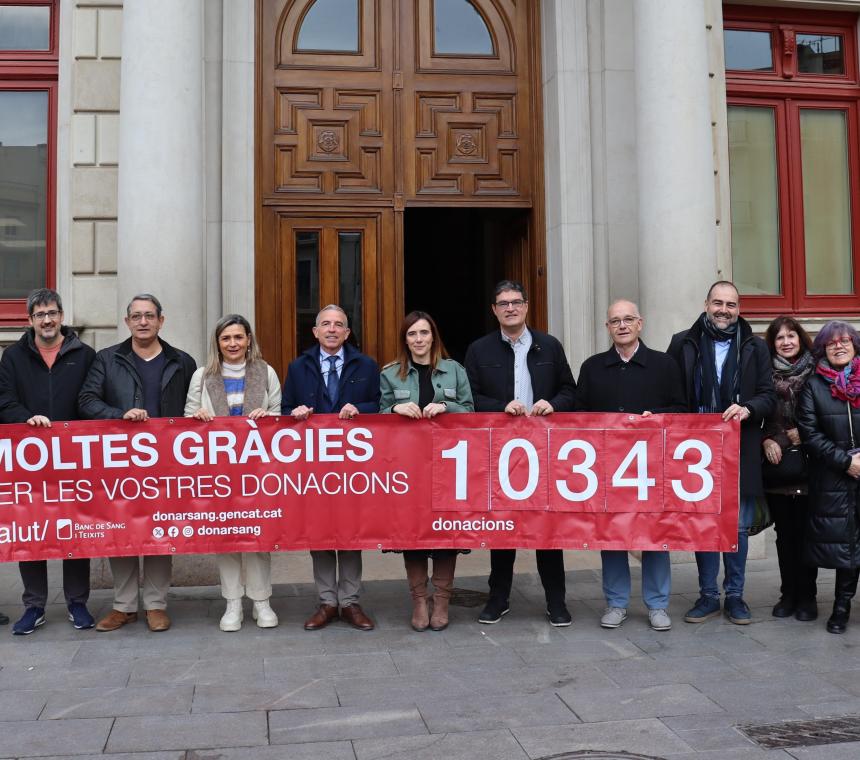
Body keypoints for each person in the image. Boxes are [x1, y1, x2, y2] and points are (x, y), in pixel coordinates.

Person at [78, 294, 196, 633]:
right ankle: (123, 606)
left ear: (161, 320)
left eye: (149, 316)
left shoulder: (182, 361)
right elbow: (86, 400)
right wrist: (119, 415)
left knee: (159, 531)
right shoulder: (107, 359)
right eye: (136, 316)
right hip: (120, 465)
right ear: (127, 321)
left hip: (167, 464)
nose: (143, 321)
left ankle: (156, 605)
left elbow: (195, 403)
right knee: (123, 533)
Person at [464, 280, 577, 626]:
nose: (510, 308)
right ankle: (498, 598)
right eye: (503, 303)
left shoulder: (549, 346)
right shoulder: (479, 350)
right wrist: (500, 407)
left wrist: (552, 403)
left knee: (547, 527)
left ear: (526, 306)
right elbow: (469, 399)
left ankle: (556, 601)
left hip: (544, 450)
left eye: (516, 302)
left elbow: (571, 391)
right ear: (494, 310)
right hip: (498, 451)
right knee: (503, 527)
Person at [668, 280, 775, 625]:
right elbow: (669, 394)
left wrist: (748, 409)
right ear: (706, 303)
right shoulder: (682, 343)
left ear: (738, 309)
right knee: (704, 525)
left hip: (739, 447)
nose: (723, 310)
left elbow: (768, 396)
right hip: (695, 451)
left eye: (730, 304)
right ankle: (708, 596)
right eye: (718, 303)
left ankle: (736, 596)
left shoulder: (755, 347)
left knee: (739, 527)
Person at [576, 300, 685, 631]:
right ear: (607, 328)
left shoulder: (665, 365)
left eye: (628, 320)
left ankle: (657, 604)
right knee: (611, 535)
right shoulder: (593, 367)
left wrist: (660, 419)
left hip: (652, 467)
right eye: (614, 321)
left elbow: (682, 408)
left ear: (640, 323)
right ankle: (616, 602)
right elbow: (579, 416)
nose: (621, 326)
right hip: (606, 467)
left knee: (655, 533)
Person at [0, 288, 96, 635]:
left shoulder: (84, 354)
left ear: (61, 315)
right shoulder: (13, 357)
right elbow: (4, 400)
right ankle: (34, 606)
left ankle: (77, 603)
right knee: (32, 528)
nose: (47, 320)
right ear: (30, 320)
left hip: (74, 459)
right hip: (29, 459)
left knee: (75, 530)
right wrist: (28, 418)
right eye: (40, 315)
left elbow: (92, 399)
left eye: (52, 313)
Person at [282, 304, 380, 631]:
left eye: (339, 325)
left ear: (347, 333)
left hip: (353, 466)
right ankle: (327, 601)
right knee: (321, 531)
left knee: (350, 532)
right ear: (315, 331)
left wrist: (361, 408)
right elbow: (284, 410)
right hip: (313, 465)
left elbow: (381, 406)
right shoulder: (298, 367)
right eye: (326, 324)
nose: (332, 329)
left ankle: (350, 602)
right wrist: (294, 412)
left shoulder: (366, 365)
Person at [184, 314, 281, 632]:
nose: (233, 343)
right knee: (225, 536)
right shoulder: (202, 376)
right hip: (218, 471)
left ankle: (262, 601)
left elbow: (279, 420)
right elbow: (186, 421)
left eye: (238, 337)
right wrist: (197, 416)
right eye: (226, 338)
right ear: (218, 343)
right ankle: (232, 603)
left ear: (249, 339)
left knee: (258, 535)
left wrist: (267, 416)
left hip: (257, 470)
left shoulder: (266, 373)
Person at [380, 311, 474, 631]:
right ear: (405, 340)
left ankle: (443, 599)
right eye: (412, 334)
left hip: (447, 465)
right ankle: (419, 599)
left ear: (433, 336)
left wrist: (449, 408)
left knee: (446, 533)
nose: (418, 340)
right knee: (413, 533)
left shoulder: (455, 371)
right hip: (407, 467)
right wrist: (393, 409)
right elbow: (377, 416)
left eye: (424, 333)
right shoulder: (391, 374)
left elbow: (472, 412)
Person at [796, 321, 860, 634]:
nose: (839, 346)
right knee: (846, 544)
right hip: (834, 478)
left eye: (845, 341)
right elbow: (810, 434)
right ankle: (841, 606)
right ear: (823, 348)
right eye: (831, 343)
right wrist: (846, 461)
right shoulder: (813, 386)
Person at [761, 316, 818, 621]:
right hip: (778, 465)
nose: (786, 342)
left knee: (807, 533)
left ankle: (808, 597)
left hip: (812, 465)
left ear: (800, 338)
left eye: (791, 336)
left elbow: (824, 414)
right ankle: (788, 595)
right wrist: (768, 439)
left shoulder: (817, 370)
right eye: (779, 337)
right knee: (785, 535)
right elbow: (758, 414)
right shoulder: (763, 373)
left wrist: (804, 434)